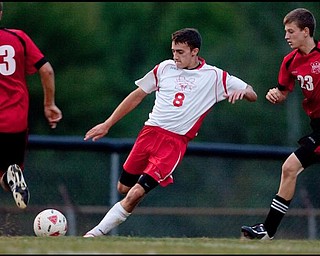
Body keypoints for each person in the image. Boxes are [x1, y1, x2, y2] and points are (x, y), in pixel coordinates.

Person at [83, 27, 257, 237]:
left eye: (180, 52)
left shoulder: (214, 76)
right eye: (173, 51)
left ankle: (92, 236)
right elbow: (137, 95)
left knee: (135, 193)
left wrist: (243, 92)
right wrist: (107, 124)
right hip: (148, 134)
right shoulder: (164, 68)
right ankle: (134, 197)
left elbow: (251, 93)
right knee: (123, 188)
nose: (175, 56)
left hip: (173, 144)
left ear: (195, 51)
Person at [241, 8, 320, 240]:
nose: (286, 36)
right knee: (289, 169)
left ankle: (268, 230)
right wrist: (275, 94)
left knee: (289, 167)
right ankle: (268, 230)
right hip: (317, 126)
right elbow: (284, 91)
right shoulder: (290, 62)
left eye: (291, 31)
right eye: (285, 31)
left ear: (306, 32)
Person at [0, 2, 62, 209]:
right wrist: (49, 104)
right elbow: (47, 71)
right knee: (8, 176)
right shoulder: (18, 37)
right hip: (15, 122)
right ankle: (11, 175)